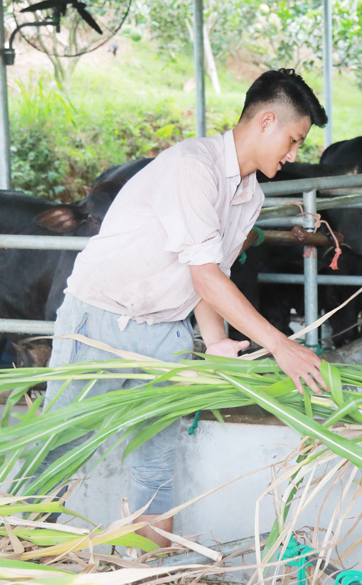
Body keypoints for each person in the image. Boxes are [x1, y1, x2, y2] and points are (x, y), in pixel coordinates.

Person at [36, 69, 329, 547]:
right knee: (59, 450)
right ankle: (4, 560)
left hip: (164, 332)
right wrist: (279, 345)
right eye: (294, 140)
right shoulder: (193, 167)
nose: (293, 154)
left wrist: (214, 340)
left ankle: (150, 576)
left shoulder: (248, 195)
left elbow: (211, 277)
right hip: (101, 319)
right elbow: (205, 276)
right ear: (267, 121)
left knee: (156, 466)